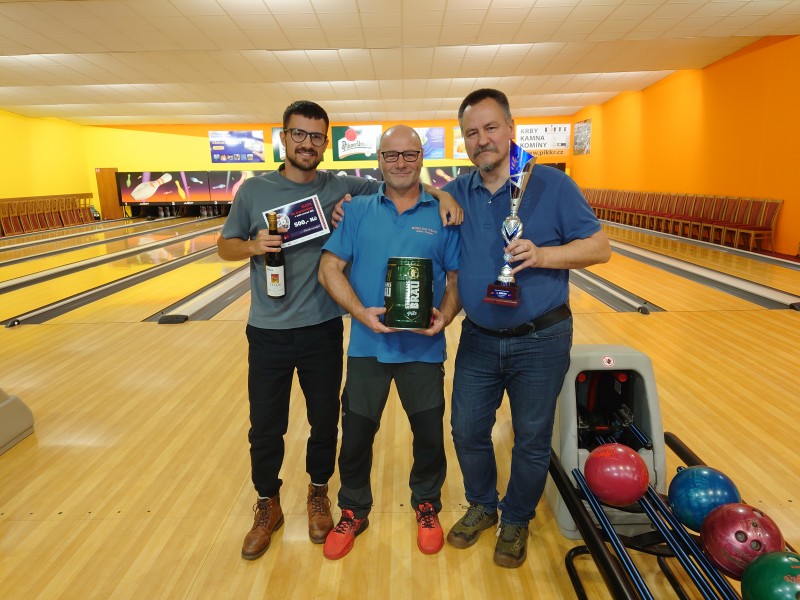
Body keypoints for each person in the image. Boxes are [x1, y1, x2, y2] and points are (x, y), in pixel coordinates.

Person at [217, 101, 462, 561]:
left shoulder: (347, 189)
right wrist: (252, 245)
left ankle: (357, 498)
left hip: (332, 330)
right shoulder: (263, 191)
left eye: (316, 136)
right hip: (292, 332)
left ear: (326, 142)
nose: (307, 143)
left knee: (343, 425)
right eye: (299, 134)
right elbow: (237, 248)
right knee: (279, 428)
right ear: (284, 137)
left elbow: (408, 192)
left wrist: (443, 196)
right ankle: (290, 505)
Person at [441, 89, 611, 568]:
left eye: (491, 128)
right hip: (478, 337)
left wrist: (543, 255)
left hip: (541, 338)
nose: (482, 139)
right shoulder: (458, 190)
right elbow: (407, 194)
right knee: (466, 429)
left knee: (532, 438)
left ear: (511, 128)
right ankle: (482, 504)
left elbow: (600, 247)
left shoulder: (553, 184)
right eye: (471, 133)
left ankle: (516, 518)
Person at [317, 125, 460, 560]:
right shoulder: (357, 210)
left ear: (421, 158)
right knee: (356, 437)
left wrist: (445, 316)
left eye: (409, 154)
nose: (400, 163)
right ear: (379, 160)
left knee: (429, 437)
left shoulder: (443, 214)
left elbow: (456, 278)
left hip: (423, 349)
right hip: (367, 348)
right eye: (391, 155)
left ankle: (427, 505)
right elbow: (329, 268)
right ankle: (353, 510)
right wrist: (360, 313)